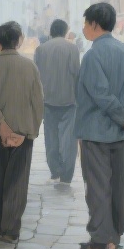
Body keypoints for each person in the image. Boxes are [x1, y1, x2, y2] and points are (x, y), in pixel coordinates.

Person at [0, 22, 44, 244]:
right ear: (19, 41)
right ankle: (10, 229)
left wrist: (0, 125)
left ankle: (2, 225)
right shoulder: (30, 67)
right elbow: (38, 104)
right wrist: (27, 132)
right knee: (17, 182)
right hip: (23, 135)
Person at [75, 3, 124, 249]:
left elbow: (101, 94)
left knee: (97, 186)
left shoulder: (93, 55)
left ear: (95, 25)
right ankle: (114, 235)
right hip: (120, 133)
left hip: (97, 132)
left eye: (85, 24)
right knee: (118, 185)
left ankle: (101, 238)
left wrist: (122, 117)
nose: (83, 28)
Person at [34, 19, 81, 187]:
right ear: (65, 31)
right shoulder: (72, 48)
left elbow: (36, 76)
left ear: (51, 31)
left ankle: (55, 170)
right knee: (68, 140)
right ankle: (66, 176)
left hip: (47, 101)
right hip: (69, 101)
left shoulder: (41, 49)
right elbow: (77, 74)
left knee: (51, 138)